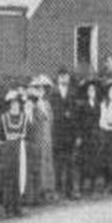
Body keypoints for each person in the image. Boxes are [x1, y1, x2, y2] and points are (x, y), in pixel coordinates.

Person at [0, 90, 28, 216]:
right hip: (8, 149)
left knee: (19, 177)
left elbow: (26, 134)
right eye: (12, 103)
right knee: (8, 178)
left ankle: (18, 206)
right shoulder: (4, 118)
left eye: (17, 103)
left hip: (19, 149)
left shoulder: (24, 117)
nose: (15, 105)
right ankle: (8, 208)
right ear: (9, 104)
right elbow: (1, 136)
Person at [50, 70, 78, 199]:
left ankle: (70, 191)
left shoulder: (72, 93)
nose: (64, 79)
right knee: (58, 164)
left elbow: (76, 113)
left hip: (70, 133)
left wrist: (77, 135)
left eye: (66, 77)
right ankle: (58, 190)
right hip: (57, 133)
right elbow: (53, 113)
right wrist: (63, 114)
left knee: (70, 163)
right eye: (61, 77)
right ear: (58, 78)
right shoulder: (53, 93)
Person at [30, 75, 56, 199]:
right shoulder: (34, 106)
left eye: (42, 89)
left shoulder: (47, 104)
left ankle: (49, 188)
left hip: (47, 136)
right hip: (38, 136)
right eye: (38, 89)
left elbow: (51, 119)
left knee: (48, 160)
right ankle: (41, 190)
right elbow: (33, 122)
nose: (41, 92)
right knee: (39, 161)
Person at [76, 81, 101, 194]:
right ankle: (81, 187)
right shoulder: (83, 105)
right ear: (87, 92)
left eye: (93, 90)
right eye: (90, 90)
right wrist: (80, 136)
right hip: (86, 136)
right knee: (84, 161)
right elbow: (79, 122)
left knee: (94, 161)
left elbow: (99, 120)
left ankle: (93, 186)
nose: (92, 92)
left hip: (95, 135)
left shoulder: (97, 104)